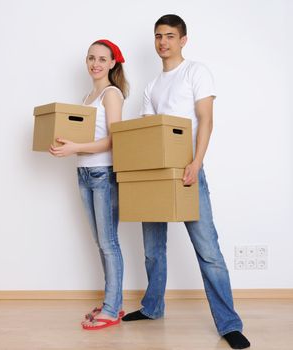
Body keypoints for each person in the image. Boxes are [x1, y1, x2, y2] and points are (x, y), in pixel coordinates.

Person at [121, 15, 251, 349]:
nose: (163, 42)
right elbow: (151, 134)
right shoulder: (152, 86)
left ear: (183, 40)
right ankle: (152, 307)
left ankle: (229, 324)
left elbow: (206, 120)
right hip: (156, 175)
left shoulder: (196, 72)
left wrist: (196, 162)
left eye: (169, 36)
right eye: (158, 36)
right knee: (152, 249)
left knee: (208, 249)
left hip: (189, 169)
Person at [49, 39, 129, 330]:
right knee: (101, 242)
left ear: (112, 63)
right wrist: (64, 146)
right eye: (91, 58)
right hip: (84, 173)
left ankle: (111, 307)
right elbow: (84, 139)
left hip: (103, 174)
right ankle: (114, 301)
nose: (95, 63)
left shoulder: (111, 94)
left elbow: (114, 139)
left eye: (102, 59)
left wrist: (75, 148)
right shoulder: (87, 96)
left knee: (109, 243)